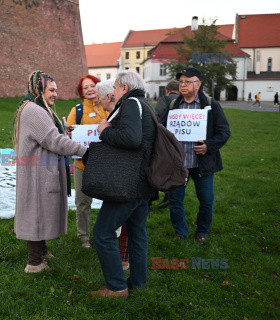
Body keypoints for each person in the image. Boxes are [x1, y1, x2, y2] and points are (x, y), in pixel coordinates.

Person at [13, 71, 87, 273]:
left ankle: (42, 251)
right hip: (38, 173)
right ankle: (34, 263)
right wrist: (84, 151)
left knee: (40, 210)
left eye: (56, 90)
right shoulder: (35, 111)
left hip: (38, 169)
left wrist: (64, 132)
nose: (55, 94)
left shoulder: (34, 107)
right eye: (51, 90)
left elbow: (50, 134)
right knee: (36, 211)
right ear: (39, 90)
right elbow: (53, 141)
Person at [90, 70, 156, 298]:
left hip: (127, 183)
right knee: (138, 233)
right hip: (143, 182)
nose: (114, 92)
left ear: (124, 88)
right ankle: (137, 283)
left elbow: (131, 139)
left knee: (102, 232)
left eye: (116, 88)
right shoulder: (144, 104)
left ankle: (116, 287)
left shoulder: (129, 104)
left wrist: (105, 131)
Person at [157, 67, 231, 244]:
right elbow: (163, 130)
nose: (183, 85)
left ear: (198, 84)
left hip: (202, 164)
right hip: (178, 164)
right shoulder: (173, 105)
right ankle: (181, 233)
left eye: (188, 81)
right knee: (175, 200)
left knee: (206, 200)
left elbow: (224, 132)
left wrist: (208, 146)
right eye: (181, 81)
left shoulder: (211, 105)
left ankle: (202, 231)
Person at [66, 75, 109, 249]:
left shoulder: (108, 107)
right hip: (82, 164)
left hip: (106, 164)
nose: (90, 89)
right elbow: (68, 134)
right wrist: (68, 132)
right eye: (86, 87)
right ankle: (84, 236)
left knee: (111, 199)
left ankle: (111, 232)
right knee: (83, 202)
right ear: (81, 92)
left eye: (93, 85)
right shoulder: (76, 110)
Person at [97, 79, 129, 270]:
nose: (99, 101)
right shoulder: (117, 113)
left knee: (117, 223)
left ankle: (122, 261)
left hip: (121, 176)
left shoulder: (119, 116)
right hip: (118, 174)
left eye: (100, 98)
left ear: (109, 96)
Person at [154, 80, 180, 209]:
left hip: (166, 140)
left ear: (167, 90)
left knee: (162, 168)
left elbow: (156, 117)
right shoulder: (183, 101)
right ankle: (172, 195)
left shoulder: (164, 100)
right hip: (182, 140)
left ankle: (168, 194)